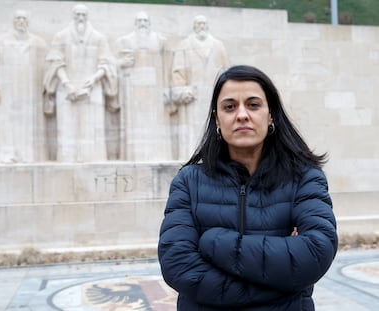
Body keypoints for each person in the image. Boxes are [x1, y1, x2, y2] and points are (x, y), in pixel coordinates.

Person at [158, 65, 338, 310]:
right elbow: (178, 266)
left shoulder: (304, 178)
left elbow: (316, 253)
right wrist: (283, 285)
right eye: (230, 107)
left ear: (270, 114)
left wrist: (212, 241)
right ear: (217, 119)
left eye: (253, 105)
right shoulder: (189, 182)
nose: (242, 114)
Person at [43, 4, 117, 162]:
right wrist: (66, 83)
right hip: (66, 89)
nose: (81, 18)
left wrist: (93, 79)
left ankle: (93, 158)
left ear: (87, 16)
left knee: (93, 129)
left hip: (93, 88)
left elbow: (106, 63)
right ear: (73, 16)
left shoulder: (99, 38)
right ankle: (67, 160)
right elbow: (55, 62)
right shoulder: (61, 36)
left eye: (83, 14)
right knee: (67, 128)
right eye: (77, 14)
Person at [0, 9, 48, 163]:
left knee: (26, 121)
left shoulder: (37, 43)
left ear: (28, 22)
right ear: (13, 21)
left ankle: (26, 154)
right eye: (18, 18)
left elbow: (46, 68)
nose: (21, 21)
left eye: (24, 18)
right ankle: (6, 155)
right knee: (6, 121)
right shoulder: (0, 42)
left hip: (28, 90)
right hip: (6, 90)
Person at [170, 15, 230, 160]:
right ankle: (191, 158)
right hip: (193, 95)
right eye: (198, 24)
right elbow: (177, 71)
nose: (201, 26)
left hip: (214, 95)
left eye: (204, 23)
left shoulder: (218, 45)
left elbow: (226, 70)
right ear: (194, 26)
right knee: (191, 132)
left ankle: (216, 157)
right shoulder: (184, 45)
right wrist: (182, 90)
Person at [114, 11, 172, 161]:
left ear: (149, 23)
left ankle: (158, 155)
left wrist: (167, 88)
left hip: (156, 89)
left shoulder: (160, 41)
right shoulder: (125, 41)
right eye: (139, 20)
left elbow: (167, 66)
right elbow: (115, 64)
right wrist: (122, 64)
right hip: (132, 90)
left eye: (145, 20)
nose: (142, 23)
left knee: (156, 123)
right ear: (135, 24)